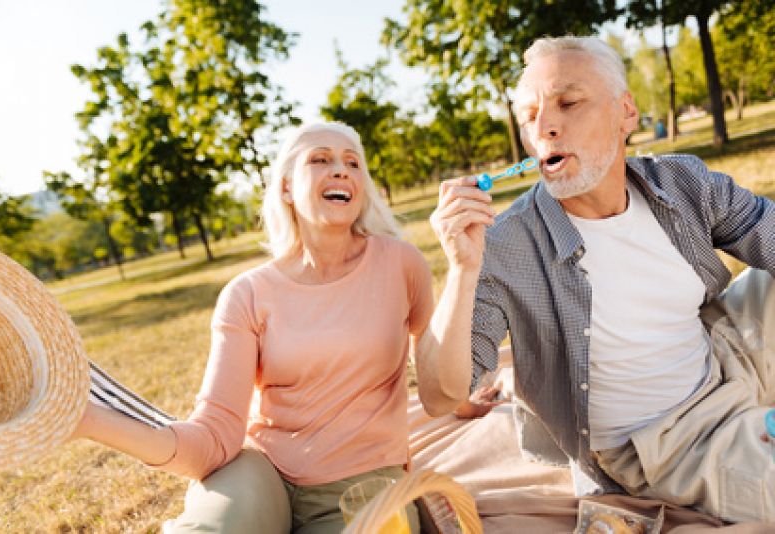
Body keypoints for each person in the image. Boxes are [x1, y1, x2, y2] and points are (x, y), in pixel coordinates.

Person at [417, 35, 775, 524]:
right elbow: (440, 396)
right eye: (528, 116)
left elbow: (762, 227)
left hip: (725, 354)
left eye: (568, 102)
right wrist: (460, 269)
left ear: (625, 112)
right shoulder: (506, 247)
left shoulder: (681, 182)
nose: (544, 126)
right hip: (668, 442)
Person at [68, 121, 434, 533]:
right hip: (261, 473)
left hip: (366, 483)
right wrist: (89, 420)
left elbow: (436, 360)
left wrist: (465, 399)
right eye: (320, 160)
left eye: (352, 163)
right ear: (285, 188)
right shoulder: (247, 294)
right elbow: (215, 435)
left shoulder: (400, 264)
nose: (340, 170)